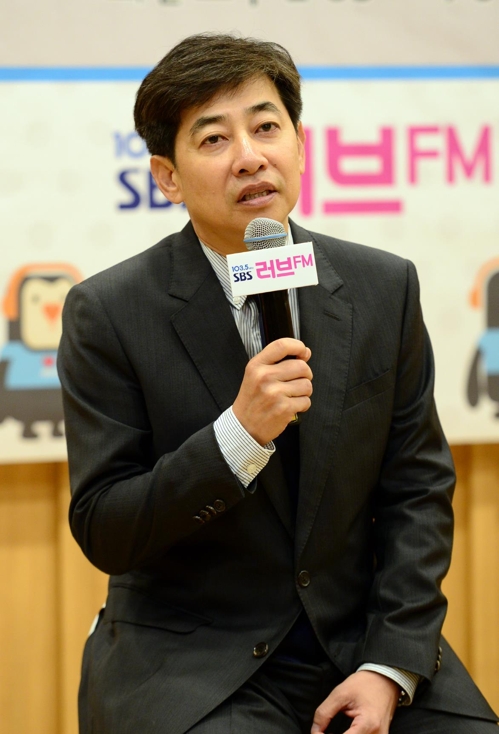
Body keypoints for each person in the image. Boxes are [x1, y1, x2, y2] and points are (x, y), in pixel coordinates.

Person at [57, 33, 498, 734]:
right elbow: (106, 528)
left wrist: (389, 664)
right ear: (167, 177)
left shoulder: (382, 288)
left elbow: (416, 489)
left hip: (357, 643)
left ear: (299, 145)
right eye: (214, 138)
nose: (249, 156)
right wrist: (237, 436)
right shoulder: (109, 312)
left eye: (266, 127)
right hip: (195, 661)